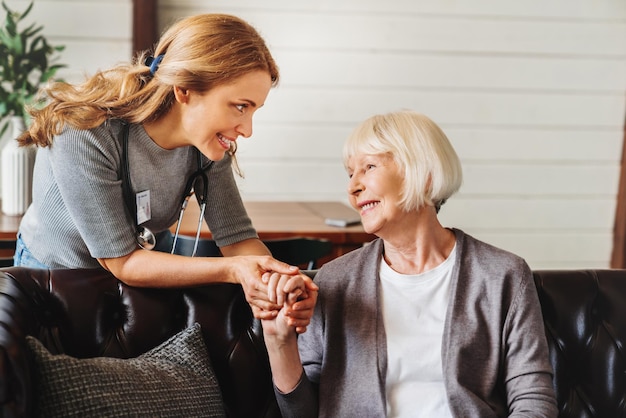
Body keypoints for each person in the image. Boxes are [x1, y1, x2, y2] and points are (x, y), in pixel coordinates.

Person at [13, 13, 316, 323]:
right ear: (184, 89)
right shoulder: (84, 132)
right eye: (240, 106)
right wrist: (234, 270)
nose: (248, 130)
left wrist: (277, 282)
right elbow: (123, 262)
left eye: (254, 110)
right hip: (52, 279)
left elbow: (237, 239)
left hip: (135, 279)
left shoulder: (207, 147)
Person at [261, 110, 558, 417]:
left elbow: (533, 401)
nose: (353, 187)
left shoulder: (502, 276)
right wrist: (279, 342)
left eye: (369, 167)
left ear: (424, 174)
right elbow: (302, 413)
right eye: (350, 173)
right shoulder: (334, 280)